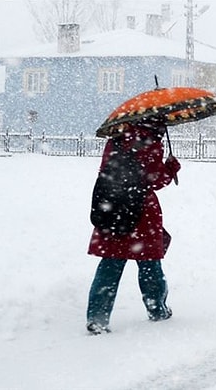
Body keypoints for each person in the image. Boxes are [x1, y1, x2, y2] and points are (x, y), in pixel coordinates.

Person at [86, 123, 180, 335]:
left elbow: (106, 170)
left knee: (110, 264)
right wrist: (171, 168)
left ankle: (97, 318)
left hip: (114, 207)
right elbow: (154, 180)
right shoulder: (150, 141)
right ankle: (157, 309)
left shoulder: (116, 138)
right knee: (149, 264)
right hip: (141, 211)